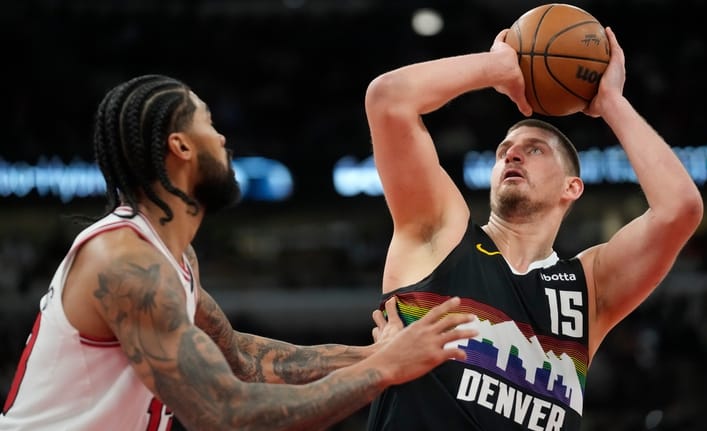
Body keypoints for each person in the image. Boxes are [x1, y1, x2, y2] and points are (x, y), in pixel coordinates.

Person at [0, 74, 479, 431]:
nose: (223, 138)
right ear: (181, 146)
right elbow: (227, 413)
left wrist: (373, 354)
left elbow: (241, 359)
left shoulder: (172, 257)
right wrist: (381, 370)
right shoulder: (126, 263)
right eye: (209, 123)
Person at [363, 26, 703, 431]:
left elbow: (679, 209)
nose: (513, 154)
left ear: (571, 187)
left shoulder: (588, 289)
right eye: (504, 151)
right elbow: (389, 101)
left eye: (534, 149)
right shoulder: (441, 230)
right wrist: (497, 68)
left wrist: (611, 102)